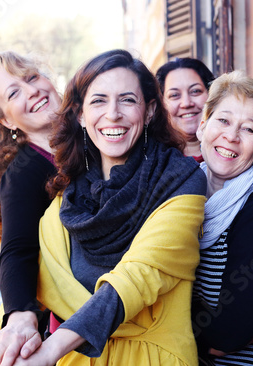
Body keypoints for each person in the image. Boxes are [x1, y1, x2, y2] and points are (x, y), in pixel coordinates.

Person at [11, 49, 207, 366]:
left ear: (150, 111)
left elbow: (140, 275)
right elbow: (25, 265)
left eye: (128, 100)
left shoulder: (181, 180)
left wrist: (49, 351)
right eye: (99, 100)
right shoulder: (66, 197)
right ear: (80, 115)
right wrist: (13, 332)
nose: (113, 113)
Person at [0, 51, 61, 365]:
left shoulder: (95, 134)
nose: (32, 91)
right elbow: (17, 250)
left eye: (32, 77)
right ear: (7, 119)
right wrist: (22, 317)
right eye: (14, 93)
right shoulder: (23, 174)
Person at [192, 70, 253, 365]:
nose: (231, 136)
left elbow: (230, 334)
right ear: (202, 126)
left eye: (248, 129)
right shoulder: (184, 190)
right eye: (223, 120)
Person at [156, 57, 215, 162]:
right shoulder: (152, 161)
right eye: (174, 95)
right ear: (161, 105)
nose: (186, 103)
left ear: (211, 94)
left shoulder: (231, 148)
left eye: (195, 91)